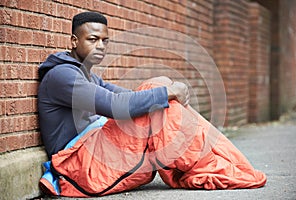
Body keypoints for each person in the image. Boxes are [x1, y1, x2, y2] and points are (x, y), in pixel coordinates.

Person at [38, 11, 266, 197]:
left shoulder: (88, 76)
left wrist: (166, 92)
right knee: (159, 91)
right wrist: (167, 91)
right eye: (92, 39)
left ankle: (225, 164)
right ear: (74, 41)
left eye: (105, 40)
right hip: (78, 164)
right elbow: (114, 105)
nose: (101, 46)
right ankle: (220, 165)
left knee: (159, 93)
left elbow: (129, 97)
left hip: (99, 154)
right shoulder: (62, 76)